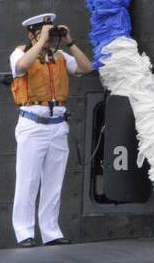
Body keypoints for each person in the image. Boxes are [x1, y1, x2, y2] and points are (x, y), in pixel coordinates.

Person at [10, 13, 93, 246]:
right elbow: (22, 66)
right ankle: (24, 232)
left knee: (53, 183)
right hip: (32, 125)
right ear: (31, 34)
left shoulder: (60, 56)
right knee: (28, 181)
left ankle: (51, 232)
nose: (47, 37)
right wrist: (39, 42)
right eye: (42, 31)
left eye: (49, 32)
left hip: (57, 127)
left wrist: (70, 41)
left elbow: (86, 68)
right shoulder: (20, 53)